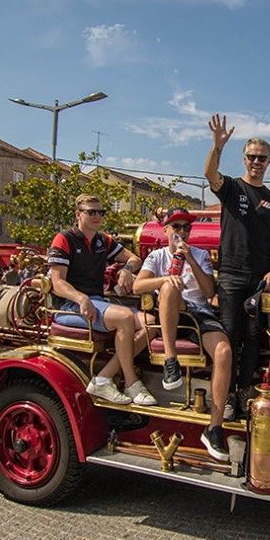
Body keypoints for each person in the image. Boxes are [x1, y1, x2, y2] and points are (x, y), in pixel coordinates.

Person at [133, 207, 233, 460]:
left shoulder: (199, 254)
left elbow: (210, 292)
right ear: (165, 229)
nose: (181, 232)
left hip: (198, 313)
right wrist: (165, 280)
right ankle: (170, 361)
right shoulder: (156, 257)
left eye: (186, 227)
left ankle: (214, 427)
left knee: (223, 351)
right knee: (168, 287)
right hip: (171, 313)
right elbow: (138, 285)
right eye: (176, 227)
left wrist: (189, 259)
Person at [204, 113, 270, 415]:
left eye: (262, 158)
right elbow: (210, 174)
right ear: (244, 159)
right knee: (229, 335)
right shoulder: (232, 188)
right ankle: (223, 398)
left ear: (268, 162)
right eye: (251, 156)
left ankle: (242, 393)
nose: (256, 162)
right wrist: (217, 146)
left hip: (259, 280)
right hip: (230, 276)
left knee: (254, 339)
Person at [47, 194, 156, 405]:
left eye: (101, 212)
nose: (97, 216)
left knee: (150, 323)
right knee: (124, 316)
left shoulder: (102, 240)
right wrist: (81, 298)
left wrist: (126, 270)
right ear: (78, 214)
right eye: (91, 212)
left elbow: (135, 258)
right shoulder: (64, 239)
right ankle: (132, 383)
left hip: (97, 302)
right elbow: (57, 283)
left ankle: (104, 377)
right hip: (69, 306)